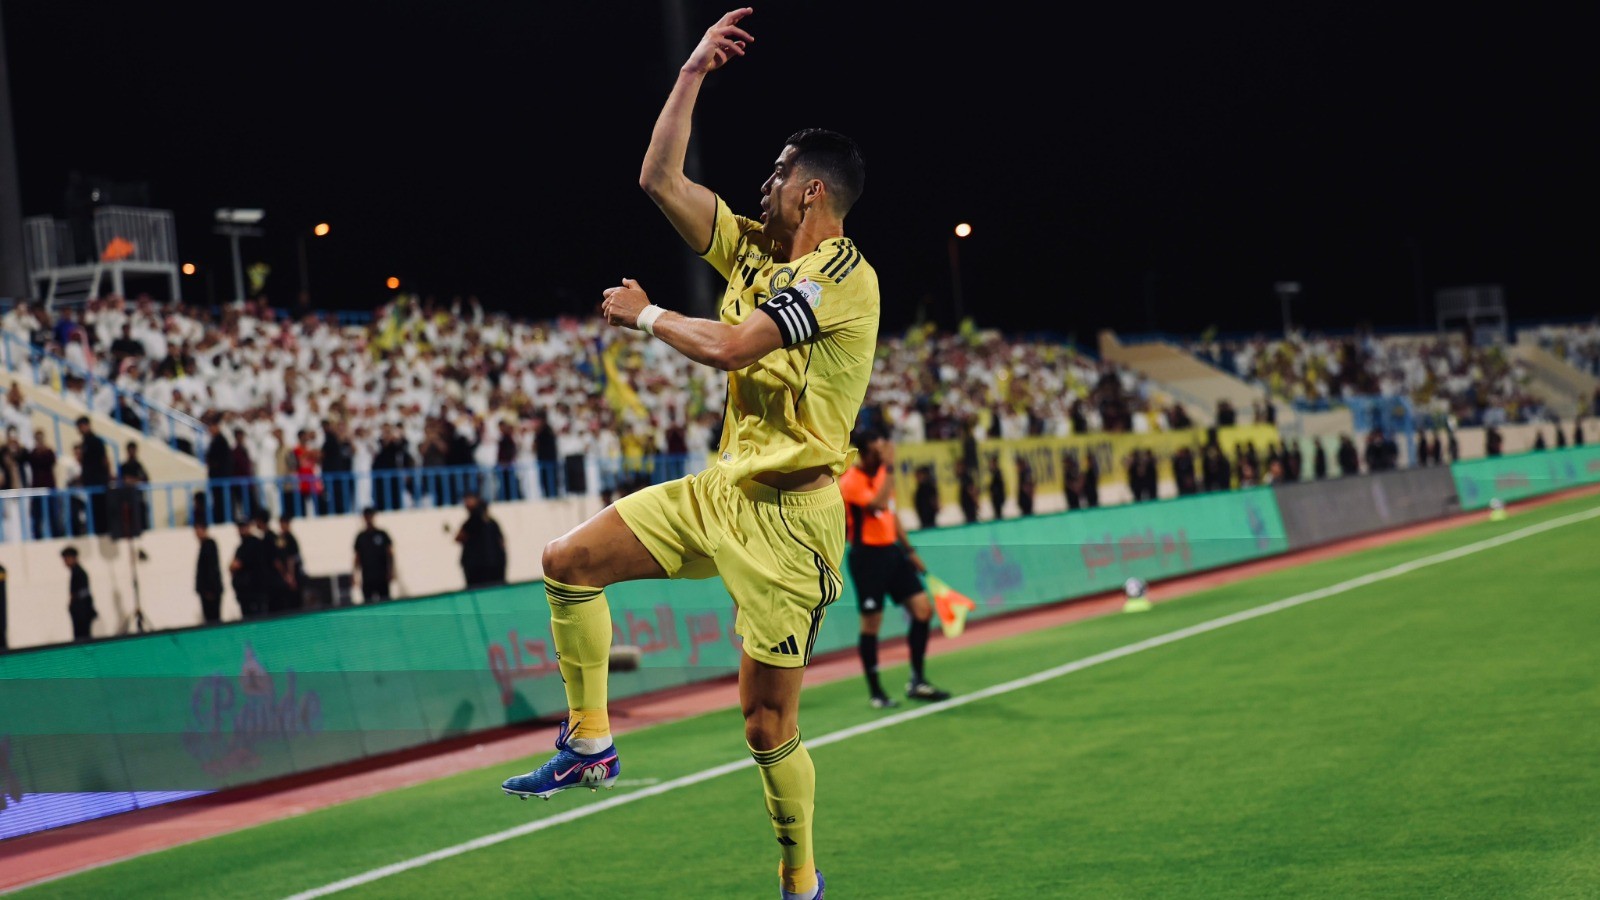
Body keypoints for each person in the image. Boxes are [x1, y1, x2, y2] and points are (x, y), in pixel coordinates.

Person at [500, 14, 871, 898]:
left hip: (793, 526)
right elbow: (657, 176)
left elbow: (738, 346)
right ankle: (590, 741)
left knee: (762, 724)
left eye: (780, 172)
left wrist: (650, 315)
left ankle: (800, 879)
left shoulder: (839, 278)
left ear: (812, 191)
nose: (765, 181)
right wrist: (693, 71)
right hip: (721, 492)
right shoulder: (751, 244)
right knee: (568, 562)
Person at [838, 431, 950, 709]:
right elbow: (875, 504)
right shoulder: (850, 481)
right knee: (871, 624)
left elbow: (890, 512)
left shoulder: (882, 477)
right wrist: (889, 468)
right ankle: (876, 692)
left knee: (923, 610)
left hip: (891, 552)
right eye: (878, 449)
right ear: (865, 453)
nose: (884, 453)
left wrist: (909, 550)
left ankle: (917, 681)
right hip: (867, 557)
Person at [457, 492, 507, 588]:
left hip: (478, 570)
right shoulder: (492, 522)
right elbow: (502, 543)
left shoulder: (473, 521)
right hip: (494, 568)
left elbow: (459, 537)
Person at [230, 517, 272, 618]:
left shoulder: (253, 544)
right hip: (246, 594)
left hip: (255, 592)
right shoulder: (242, 546)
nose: (241, 530)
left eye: (243, 527)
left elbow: (236, 565)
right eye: (240, 527)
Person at [353, 507, 396, 603]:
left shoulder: (382, 534)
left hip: (382, 576)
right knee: (368, 604)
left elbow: (390, 554)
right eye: (366, 516)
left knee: (386, 603)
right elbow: (357, 557)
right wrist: (355, 575)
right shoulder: (361, 537)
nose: (368, 518)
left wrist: (391, 571)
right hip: (368, 577)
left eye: (370, 516)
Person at [76, 417, 111, 534]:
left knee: (101, 510)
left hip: (99, 482)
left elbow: (104, 460)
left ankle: (104, 531)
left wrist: (107, 477)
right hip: (90, 482)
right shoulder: (85, 442)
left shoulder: (96, 441)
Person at [272, 512, 305, 612]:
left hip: (292, 576)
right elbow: (279, 560)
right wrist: (287, 575)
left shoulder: (290, 539)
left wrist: (291, 576)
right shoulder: (281, 539)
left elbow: (292, 559)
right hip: (286, 578)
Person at [63, 546, 96, 641]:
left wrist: (74, 602)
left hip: (82, 613)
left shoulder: (80, 573)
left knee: (83, 638)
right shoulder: (75, 572)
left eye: (66, 558)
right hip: (80, 612)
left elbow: (83, 593)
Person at [195, 523, 224, 624]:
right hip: (207, 590)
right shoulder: (204, 545)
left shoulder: (209, 545)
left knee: (213, 619)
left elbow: (211, 568)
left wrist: (210, 589)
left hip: (211, 591)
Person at [912, 464, 939, 530]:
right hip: (922, 519)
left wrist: (936, 507)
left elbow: (935, 501)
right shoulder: (919, 490)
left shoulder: (930, 488)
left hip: (930, 517)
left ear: (925, 475)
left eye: (920, 475)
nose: (917, 477)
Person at [956, 459, 980, 523]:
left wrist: (976, 502)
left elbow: (972, 490)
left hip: (969, 505)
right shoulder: (963, 478)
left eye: (958, 467)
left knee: (971, 520)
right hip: (967, 505)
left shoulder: (966, 478)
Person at [987, 454, 1006, 520]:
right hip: (996, 498)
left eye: (992, 463)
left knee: (998, 514)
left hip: (998, 498)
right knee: (997, 513)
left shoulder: (997, 473)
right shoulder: (993, 473)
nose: (990, 465)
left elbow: (1000, 486)